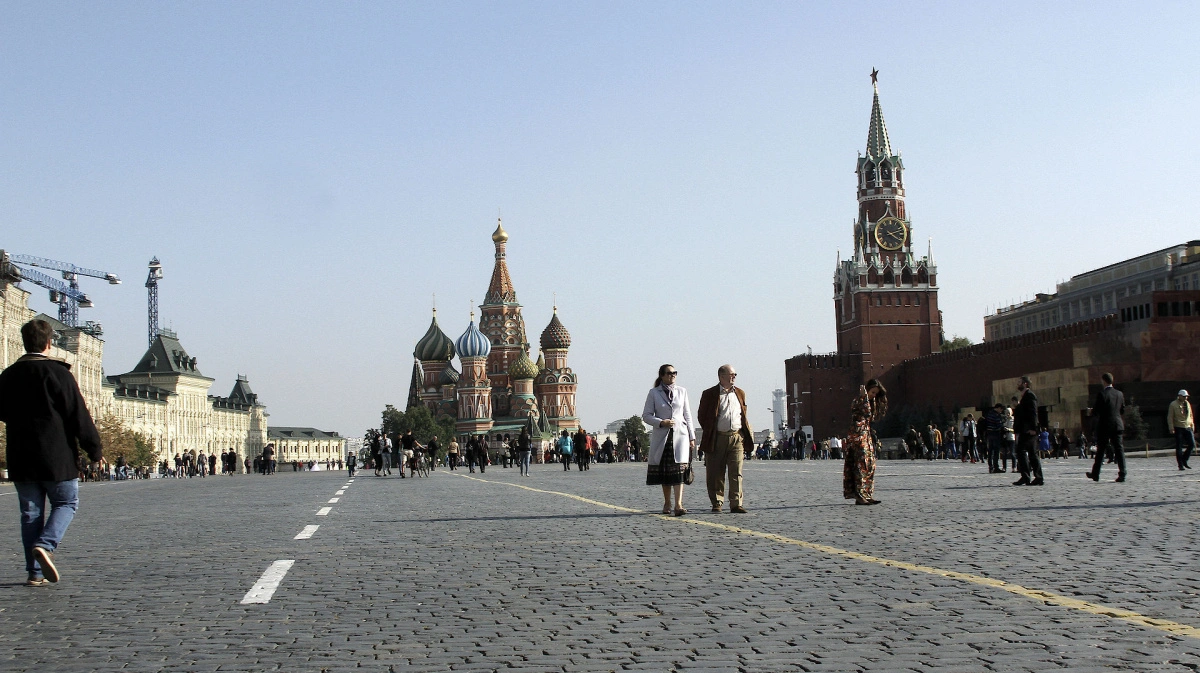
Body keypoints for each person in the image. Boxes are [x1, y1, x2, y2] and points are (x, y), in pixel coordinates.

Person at [0, 319, 104, 586]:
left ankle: (34, 573)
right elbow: (78, 415)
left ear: (24, 343)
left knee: (30, 513)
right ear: (49, 343)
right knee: (66, 503)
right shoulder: (59, 374)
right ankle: (46, 545)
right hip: (57, 455)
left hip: (21, 456)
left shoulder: (8, 375)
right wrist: (94, 450)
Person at [697, 364, 754, 514]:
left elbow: (743, 414)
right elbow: (702, 416)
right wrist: (711, 430)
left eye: (735, 374)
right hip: (717, 438)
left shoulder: (740, 393)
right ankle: (717, 502)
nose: (734, 377)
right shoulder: (710, 394)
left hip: (736, 437)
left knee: (736, 472)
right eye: (731, 374)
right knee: (715, 472)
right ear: (722, 377)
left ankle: (736, 503)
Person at [642, 364, 696, 516]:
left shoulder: (682, 391)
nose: (672, 375)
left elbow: (687, 415)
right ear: (662, 376)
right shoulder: (654, 393)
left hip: (680, 436)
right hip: (663, 436)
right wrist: (661, 422)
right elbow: (646, 415)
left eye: (674, 373)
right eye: (669, 373)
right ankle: (667, 502)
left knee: (679, 470)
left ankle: (679, 504)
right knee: (666, 472)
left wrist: (692, 436)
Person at [844, 379, 887, 505]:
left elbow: (871, 416)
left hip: (865, 433)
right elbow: (866, 413)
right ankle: (859, 494)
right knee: (860, 462)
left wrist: (869, 400)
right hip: (857, 434)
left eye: (875, 394)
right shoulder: (859, 400)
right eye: (872, 392)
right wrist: (864, 397)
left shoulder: (869, 400)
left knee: (870, 463)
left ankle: (867, 493)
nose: (874, 395)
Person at [1087, 372, 1127, 482]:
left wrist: (1091, 412)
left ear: (1104, 381)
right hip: (1117, 424)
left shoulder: (1102, 394)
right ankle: (1122, 473)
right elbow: (1122, 409)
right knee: (1119, 450)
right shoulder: (1119, 394)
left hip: (1105, 425)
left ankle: (1096, 474)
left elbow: (1096, 411)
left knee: (1101, 450)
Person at [1012, 376, 1044, 486]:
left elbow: (1033, 413)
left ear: (1025, 384)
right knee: (1031, 453)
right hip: (1025, 429)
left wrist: (1034, 428)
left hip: (1028, 430)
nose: (1018, 384)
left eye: (1019, 382)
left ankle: (1027, 476)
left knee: (1021, 451)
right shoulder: (1025, 396)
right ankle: (1035, 477)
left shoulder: (1030, 396)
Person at [1169, 390, 1194, 470]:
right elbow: (1170, 417)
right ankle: (1180, 465)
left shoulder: (1187, 404)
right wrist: (1171, 427)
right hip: (1178, 426)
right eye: (1184, 396)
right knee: (1179, 446)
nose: (1185, 398)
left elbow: (1190, 415)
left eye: (1186, 396)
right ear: (1179, 396)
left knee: (1192, 444)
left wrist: (1192, 424)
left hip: (1187, 426)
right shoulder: (1173, 404)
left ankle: (1184, 460)